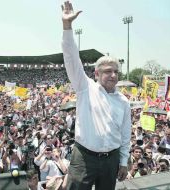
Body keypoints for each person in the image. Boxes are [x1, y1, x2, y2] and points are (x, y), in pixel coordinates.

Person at [61, 1, 131, 190]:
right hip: (84, 158)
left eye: (116, 71)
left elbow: (125, 135)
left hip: (112, 160)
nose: (113, 75)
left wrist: (123, 161)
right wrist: (67, 26)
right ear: (96, 74)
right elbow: (71, 58)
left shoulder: (124, 102)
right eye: (108, 71)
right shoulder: (85, 87)